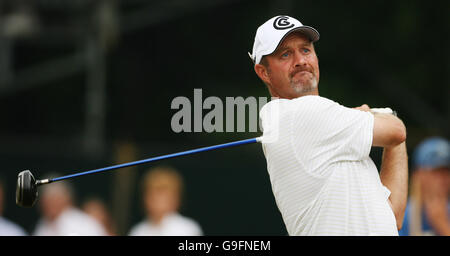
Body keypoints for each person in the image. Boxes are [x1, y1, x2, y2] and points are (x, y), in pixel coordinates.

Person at [250, 15, 408, 235]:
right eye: (285, 54)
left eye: (305, 50)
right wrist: (382, 116)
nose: (300, 60)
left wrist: (385, 123)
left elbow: (394, 216)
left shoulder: (336, 132)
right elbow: (397, 131)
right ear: (264, 72)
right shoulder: (299, 114)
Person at [128, 166, 202, 236]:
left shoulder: (187, 229)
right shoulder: (138, 231)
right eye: (151, 194)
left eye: (162, 194)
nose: (156, 199)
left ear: (176, 198)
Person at [399, 137, 450, 236]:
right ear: (418, 175)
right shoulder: (401, 216)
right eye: (436, 172)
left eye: (446, 172)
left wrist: (442, 225)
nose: (443, 179)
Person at [33, 179, 107, 236]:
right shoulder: (42, 224)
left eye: (54, 199)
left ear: (66, 199)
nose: (49, 204)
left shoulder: (81, 223)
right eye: (46, 200)